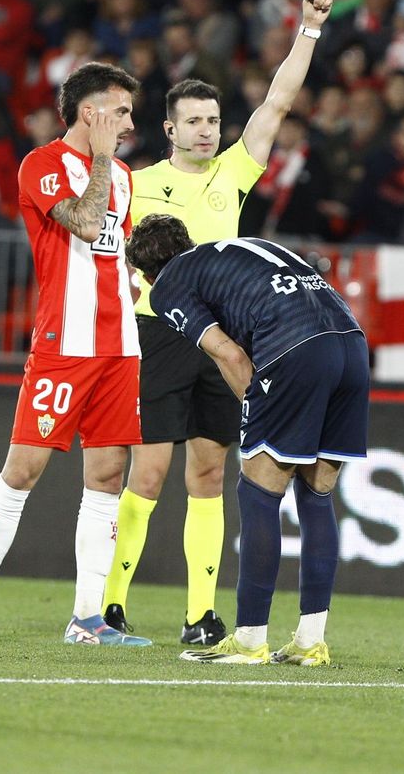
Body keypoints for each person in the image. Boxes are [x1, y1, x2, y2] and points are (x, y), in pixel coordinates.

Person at [101, 0, 333, 647]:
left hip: (220, 338)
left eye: (213, 119)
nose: (206, 129)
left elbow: (279, 101)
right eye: (194, 121)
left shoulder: (232, 172)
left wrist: (309, 29)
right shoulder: (135, 184)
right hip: (156, 332)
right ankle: (108, 606)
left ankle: (200, 617)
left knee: (207, 475)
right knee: (148, 475)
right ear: (170, 130)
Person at [0, 63, 151, 647]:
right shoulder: (42, 165)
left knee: (107, 476)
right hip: (63, 346)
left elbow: (116, 250)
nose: (129, 123)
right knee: (22, 470)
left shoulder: (124, 175)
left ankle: (87, 619)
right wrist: (101, 158)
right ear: (90, 113)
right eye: (120, 112)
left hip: (119, 347)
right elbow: (85, 223)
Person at [127, 216, 369, 667]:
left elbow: (230, 354)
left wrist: (258, 415)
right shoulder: (240, 249)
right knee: (316, 495)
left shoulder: (168, 286)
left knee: (258, 491)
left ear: (145, 275)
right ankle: (309, 642)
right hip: (352, 347)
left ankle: (249, 639)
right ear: (189, 241)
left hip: (296, 347)